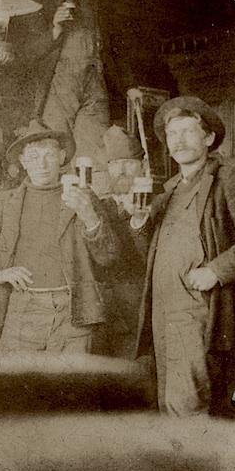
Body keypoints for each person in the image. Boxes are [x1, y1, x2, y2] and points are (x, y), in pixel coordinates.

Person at [129, 96, 235, 416]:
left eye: (188, 131)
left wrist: (216, 270)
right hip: (162, 312)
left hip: (200, 315)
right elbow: (147, 254)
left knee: (189, 407)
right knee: (165, 404)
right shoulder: (169, 189)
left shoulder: (228, 176)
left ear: (208, 138)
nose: (179, 140)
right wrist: (137, 221)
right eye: (173, 134)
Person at [0, 119, 120, 353]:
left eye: (49, 154)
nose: (41, 164)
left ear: (62, 157)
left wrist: (90, 217)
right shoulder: (6, 201)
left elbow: (109, 258)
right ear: (22, 161)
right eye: (33, 156)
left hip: (74, 312)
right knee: (17, 387)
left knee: (73, 388)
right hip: (23, 309)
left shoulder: (83, 196)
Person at [29, 0, 124, 183]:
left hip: (94, 81)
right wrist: (55, 28)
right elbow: (29, 52)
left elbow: (115, 50)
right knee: (53, 150)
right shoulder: (44, 4)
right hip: (59, 84)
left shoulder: (101, 4)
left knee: (95, 156)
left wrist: (131, 87)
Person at [93, 125, 148, 358]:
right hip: (103, 313)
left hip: (139, 312)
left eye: (129, 162)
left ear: (143, 166)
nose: (122, 170)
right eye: (115, 164)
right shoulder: (99, 207)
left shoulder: (158, 204)